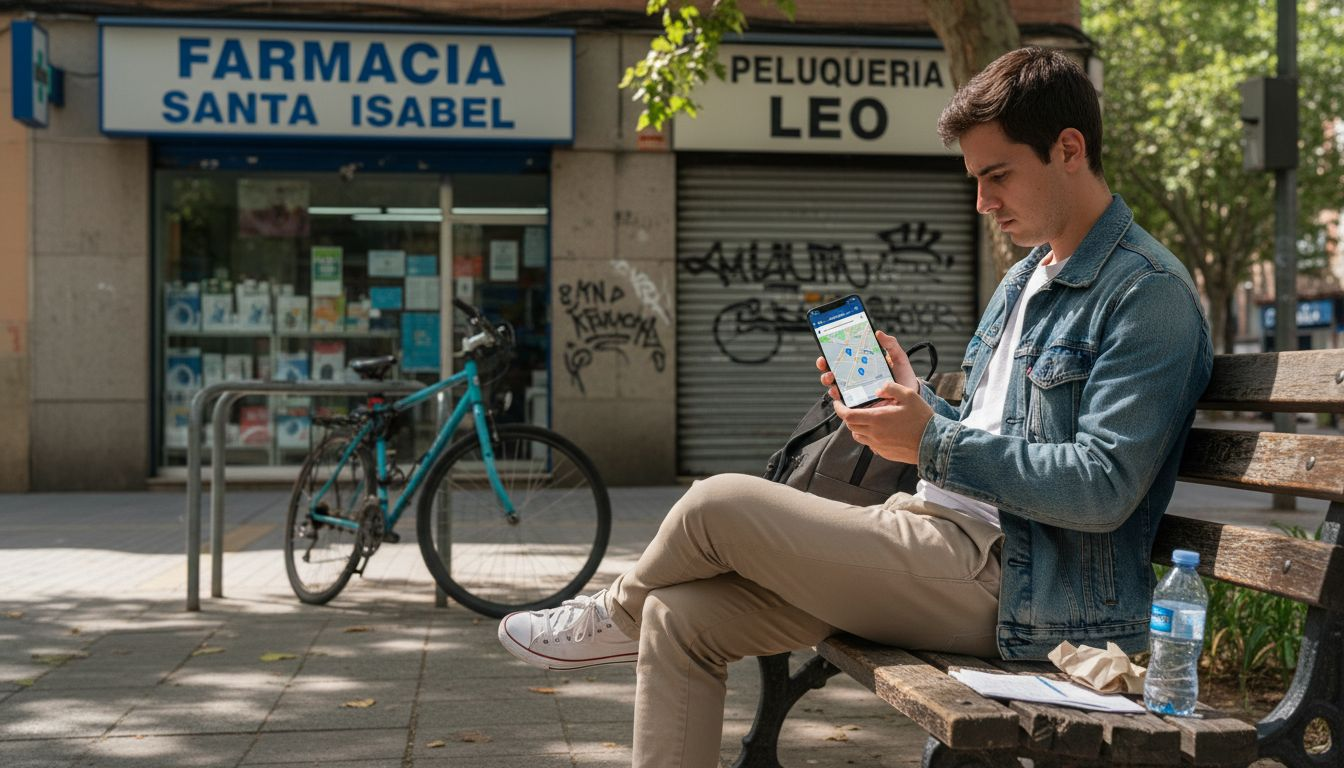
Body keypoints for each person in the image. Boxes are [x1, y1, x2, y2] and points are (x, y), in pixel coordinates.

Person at [497, 47, 1212, 767]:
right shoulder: (1027, 276)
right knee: (678, 615)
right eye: (975, 180)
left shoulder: (1146, 294)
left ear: (1069, 150)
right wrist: (914, 402)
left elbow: (1103, 486)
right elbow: (993, 433)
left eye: (998, 175)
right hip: (932, 536)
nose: (982, 202)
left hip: (1022, 586)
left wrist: (929, 442)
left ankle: (610, 613)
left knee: (715, 504)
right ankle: (633, 614)